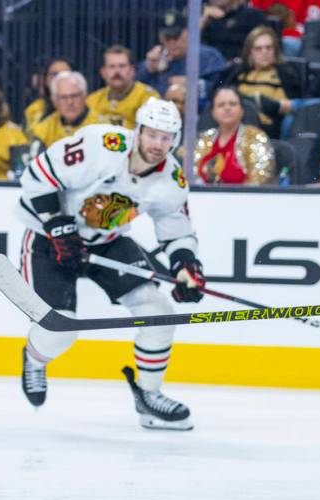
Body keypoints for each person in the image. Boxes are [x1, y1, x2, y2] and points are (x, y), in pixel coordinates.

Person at [16, 98, 204, 431]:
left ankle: (148, 397)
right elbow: (38, 175)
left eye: (166, 137)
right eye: (152, 134)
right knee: (60, 330)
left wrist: (185, 266)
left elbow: (177, 231)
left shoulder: (171, 180)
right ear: (138, 131)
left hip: (107, 241)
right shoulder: (100, 144)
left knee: (159, 311)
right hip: (48, 237)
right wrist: (56, 222)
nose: (158, 144)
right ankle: (34, 358)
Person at [221, 25, 304, 139]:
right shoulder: (237, 72)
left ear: (275, 50)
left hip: (267, 129)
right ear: (250, 52)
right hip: (234, 124)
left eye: (269, 48)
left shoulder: (287, 74)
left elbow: (294, 107)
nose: (264, 52)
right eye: (258, 48)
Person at [195, 86, 275, 185]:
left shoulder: (256, 137)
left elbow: (260, 181)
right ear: (213, 113)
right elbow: (192, 175)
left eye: (233, 104)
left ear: (242, 110)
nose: (227, 108)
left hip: (243, 198)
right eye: (221, 105)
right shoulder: (204, 138)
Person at [137, 12, 227, 100]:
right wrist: (148, 69)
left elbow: (223, 85)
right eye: (167, 38)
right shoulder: (154, 60)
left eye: (176, 37)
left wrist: (193, 84)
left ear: (188, 33)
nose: (172, 43)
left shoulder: (209, 56)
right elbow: (134, 90)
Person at [87, 45, 161, 129]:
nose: (117, 71)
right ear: (103, 72)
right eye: (112, 66)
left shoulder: (148, 97)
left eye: (122, 66)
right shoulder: (93, 100)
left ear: (132, 70)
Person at [30, 71, 107, 149]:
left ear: (85, 96)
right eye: (63, 97)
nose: (70, 102)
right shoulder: (44, 128)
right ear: (54, 100)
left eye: (74, 96)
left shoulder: (102, 126)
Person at [200, 0, 271, 61]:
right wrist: (204, 18)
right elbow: (193, 48)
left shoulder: (254, 16)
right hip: (211, 68)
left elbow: (265, 47)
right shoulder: (207, 19)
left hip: (242, 67)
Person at [23, 57, 72, 134]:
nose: (59, 78)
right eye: (54, 74)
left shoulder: (88, 106)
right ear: (45, 80)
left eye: (65, 74)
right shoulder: (34, 109)